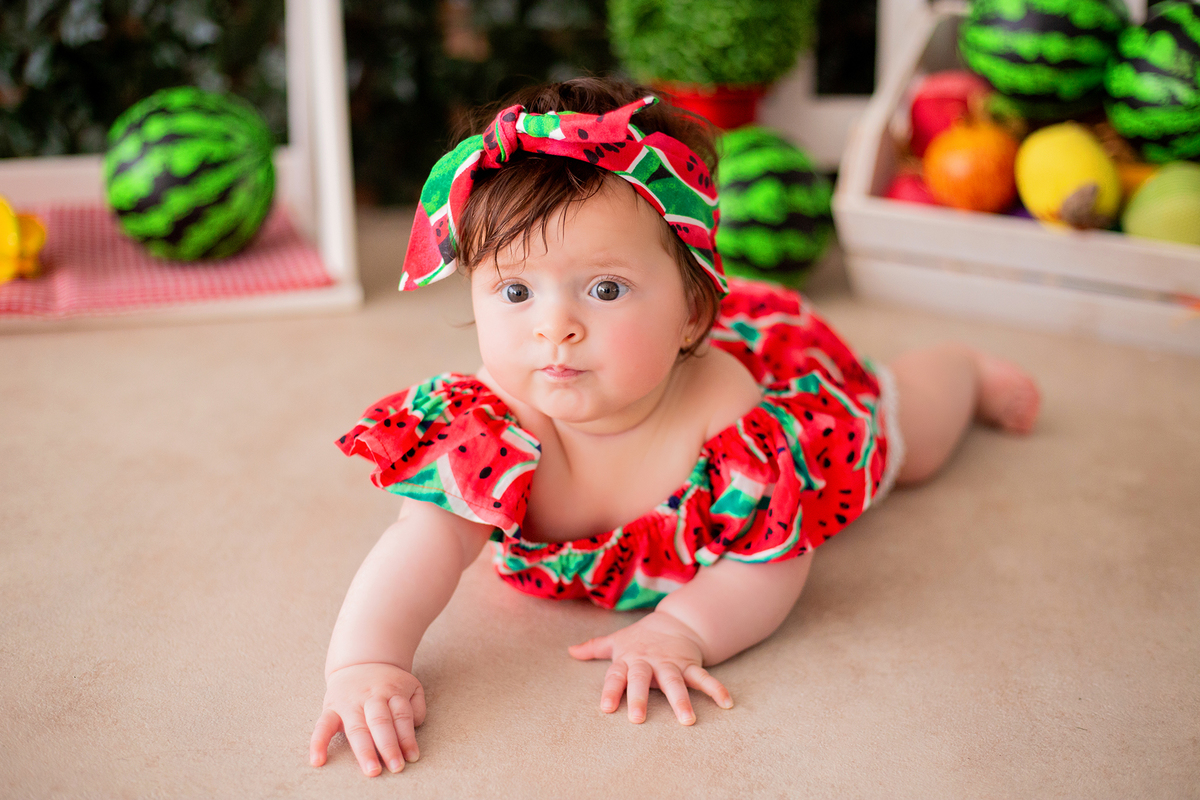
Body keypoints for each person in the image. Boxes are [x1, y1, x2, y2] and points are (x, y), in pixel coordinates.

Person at [309, 77, 1040, 777]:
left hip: (777, 367)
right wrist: (367, 662)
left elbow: (772, 559)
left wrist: (682, 628)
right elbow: (420, 544)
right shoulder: (488, 426)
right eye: (516, 290)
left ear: (691, 314)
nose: (554, 328)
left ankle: (960, 369)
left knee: (903, 440)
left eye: (605, 289)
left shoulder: (726, 417)